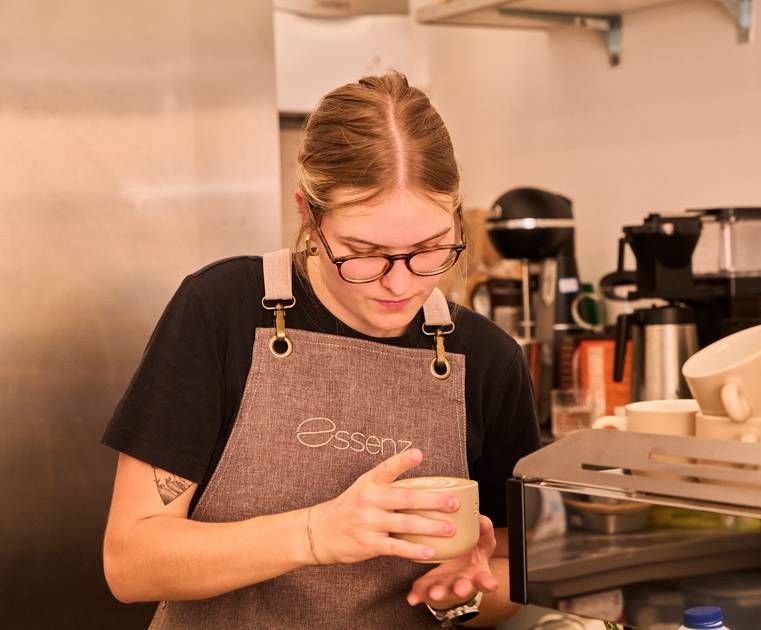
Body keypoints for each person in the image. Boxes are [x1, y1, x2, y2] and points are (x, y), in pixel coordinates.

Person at [101, 71, 540, 628]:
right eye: (364, 252)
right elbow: (131, 562)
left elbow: (506, 565)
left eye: (429, 250)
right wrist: (314, 534)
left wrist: (460, 597)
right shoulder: (222, 311)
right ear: (307, 213)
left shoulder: (488, 359)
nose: (400, 285)